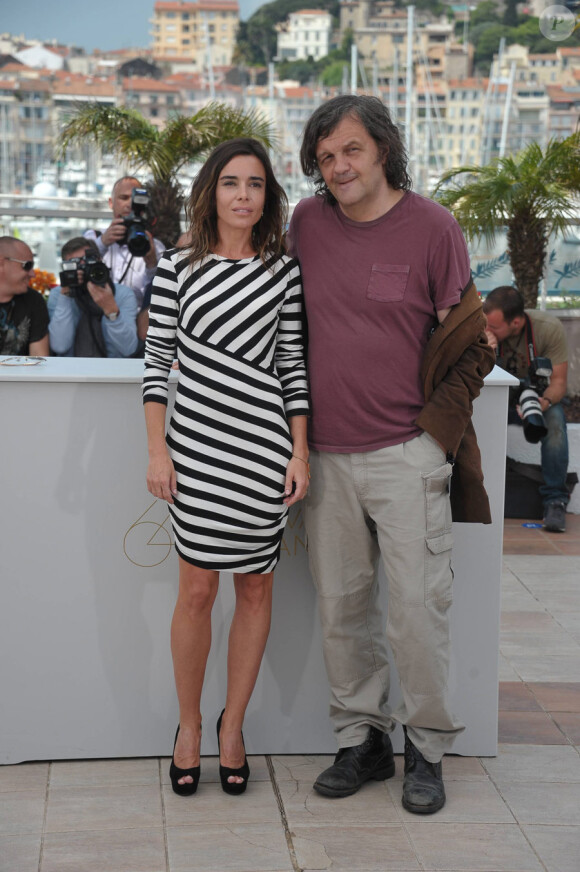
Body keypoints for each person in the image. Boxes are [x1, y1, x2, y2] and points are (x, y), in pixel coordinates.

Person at [287, 95, 495, 815]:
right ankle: (362, 741)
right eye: (324, 156)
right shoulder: (306, 224)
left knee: (415, 613)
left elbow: (474, 345)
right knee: (343, 612)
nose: (338, 166)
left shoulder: (434, 228)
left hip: (406, 456)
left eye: (349, 150)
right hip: (326, 460)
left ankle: (428, 752)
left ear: (382, 148)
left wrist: (433, 437)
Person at [143, 138, 309, 797]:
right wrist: (159, 451)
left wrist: (298, 451)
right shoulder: (176, 265)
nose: (243, 194)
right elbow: (156, 367)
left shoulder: (283, 271)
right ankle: (188, 728)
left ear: (269, 198)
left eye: (257, 184)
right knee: (196, 593)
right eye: (231, 182)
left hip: (263, 451)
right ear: (211, 190)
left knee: (257, 590)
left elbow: (294, 366)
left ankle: (232, 727)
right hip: (198, 451)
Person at [483, 285, 570, 532]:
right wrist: (483, 348)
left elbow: (559, 383)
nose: (488, 329)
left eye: (494, 327)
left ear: (517, 322)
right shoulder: (479, 327)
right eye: (485, 323)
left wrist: (543, 402)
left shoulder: (547, 329)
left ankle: (555, 501)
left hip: (536, 399)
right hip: (494, 396)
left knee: (554, 422)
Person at [47, 238, 138, 358]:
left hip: (112, 370)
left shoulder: (122, 294)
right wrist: (65, 295)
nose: (83, 269)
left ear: (100, 261)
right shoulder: (58, 294)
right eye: (76, 264)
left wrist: (111, 309)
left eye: (87, 262)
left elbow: (128, 348)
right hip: (70, 371)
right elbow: (59, 346)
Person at [84, 176, 165, 311]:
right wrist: (103, 243)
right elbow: (81, 270)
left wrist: (152, 264)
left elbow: (158, 297)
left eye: (134, 199)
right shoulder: (93, 238)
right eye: (124, 198)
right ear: (111, 203)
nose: (129, 204)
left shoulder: (155, 246)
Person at [0, 236, 49, 357]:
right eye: (27, 265)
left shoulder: (34, 300)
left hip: (21, 375)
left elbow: (39, 359)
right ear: (1, 264)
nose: (32, 274)